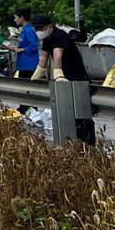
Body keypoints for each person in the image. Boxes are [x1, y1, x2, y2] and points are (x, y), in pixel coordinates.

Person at [33, 14, 95, 144]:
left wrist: (58, 74)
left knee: (81, 115)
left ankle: (87, 144)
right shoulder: (47, 39)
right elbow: (44, 56)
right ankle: (74, 143)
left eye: (41, 28)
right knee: (68, 114)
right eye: (36, 29)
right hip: (66, 79)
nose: (39, 31)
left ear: (50, 26)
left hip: (77, 78)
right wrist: (38, 73)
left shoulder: (59, 35)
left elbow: (57, 54)